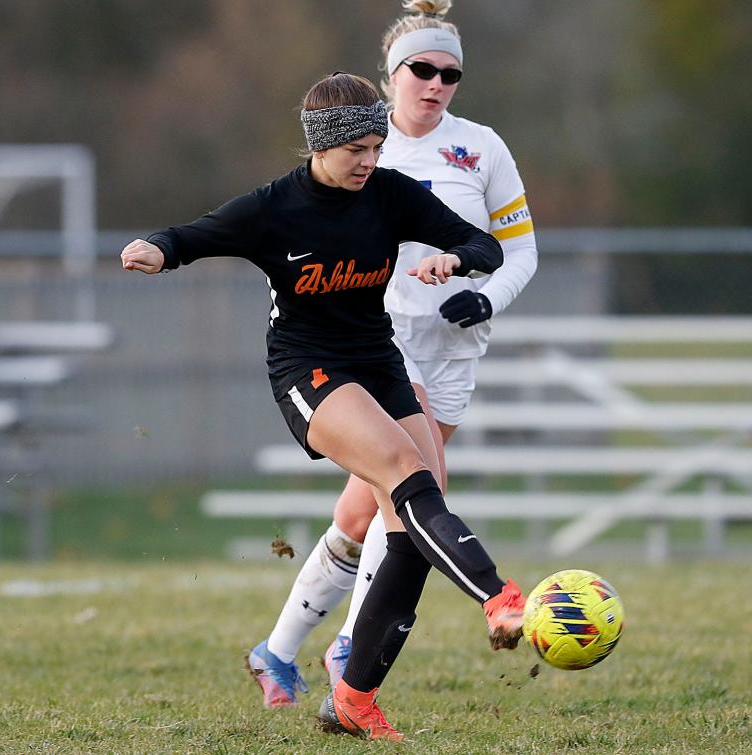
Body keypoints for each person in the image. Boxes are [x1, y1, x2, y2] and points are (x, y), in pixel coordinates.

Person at [120, 71, 526, 741]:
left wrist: (453, 260)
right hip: (308, 369)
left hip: (378, 361)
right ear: (321, 145)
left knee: (413, 527)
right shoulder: (276, 207)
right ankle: (496, 594)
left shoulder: (390, 194)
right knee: (404, 468)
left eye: (376, 145)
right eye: (357, 150)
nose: (370, 161)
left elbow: (485, 245)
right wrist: (157, 249)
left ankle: (353, 701)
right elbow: (193, 235)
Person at [251, 0, 538, 711]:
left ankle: (278, 650)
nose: (436, 83)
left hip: (454, 354)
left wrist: (485, 296)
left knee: (364, 514)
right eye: (423, 69)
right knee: (412, 492)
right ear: (391, 72)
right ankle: (351, 649)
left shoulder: (484, 148)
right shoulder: (359, 147)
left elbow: (521, 250)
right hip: (380, 350)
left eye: (450, 73)